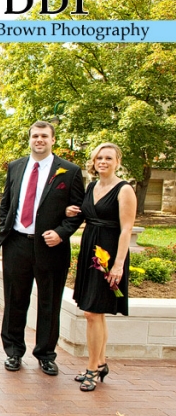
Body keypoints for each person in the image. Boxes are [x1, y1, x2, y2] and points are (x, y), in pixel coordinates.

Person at [0, 121, 84, 375]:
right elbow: (6, 203)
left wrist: (61, 233)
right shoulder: (16, 167)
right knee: (15, 300)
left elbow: (78, 211)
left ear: (53, 139)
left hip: (51, 247)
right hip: (17, 244)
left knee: (49, 302)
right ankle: (13, 352)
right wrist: (4, 230)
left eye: (44, 136)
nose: (39, 140)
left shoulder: (70, 171)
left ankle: (45, 355)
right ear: (30, 139)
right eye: (35, 136)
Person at [66, 143, 136, 391]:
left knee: (92, 313)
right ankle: (101, 363)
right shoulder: (92, 186)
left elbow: (126, 229)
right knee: (95, 313)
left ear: (117, 162)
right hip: (90, 251)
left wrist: (118, 265)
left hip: (108, 255)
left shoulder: (124, 189)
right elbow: (86, 215)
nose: (103, 162)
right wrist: (71, 211)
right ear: (94, 162)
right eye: (99, 158)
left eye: (108, 158)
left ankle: (92, 369)